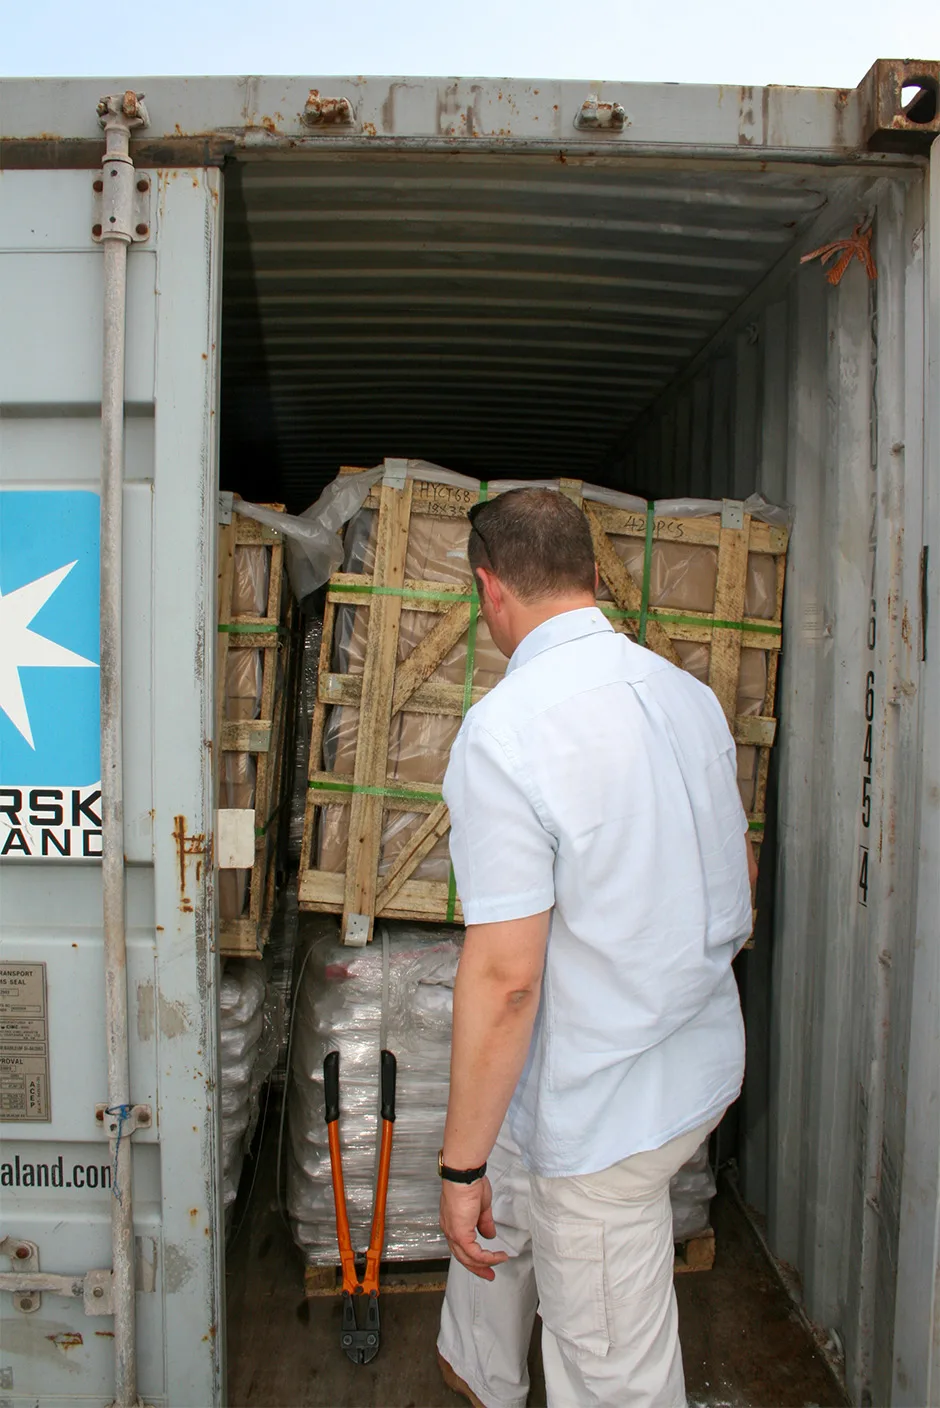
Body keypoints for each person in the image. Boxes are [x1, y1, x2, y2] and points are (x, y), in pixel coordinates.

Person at [435, 487, 757, 1408]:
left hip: (610, 1117)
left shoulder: (507, 731)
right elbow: (739, 871)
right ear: (589, 573)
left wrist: (458, 1171)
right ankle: (480, 1371)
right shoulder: (686, 696)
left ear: (490, 590)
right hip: (684, 1066)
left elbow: (505, 982)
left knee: (613, 1367)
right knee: (522, 1193)